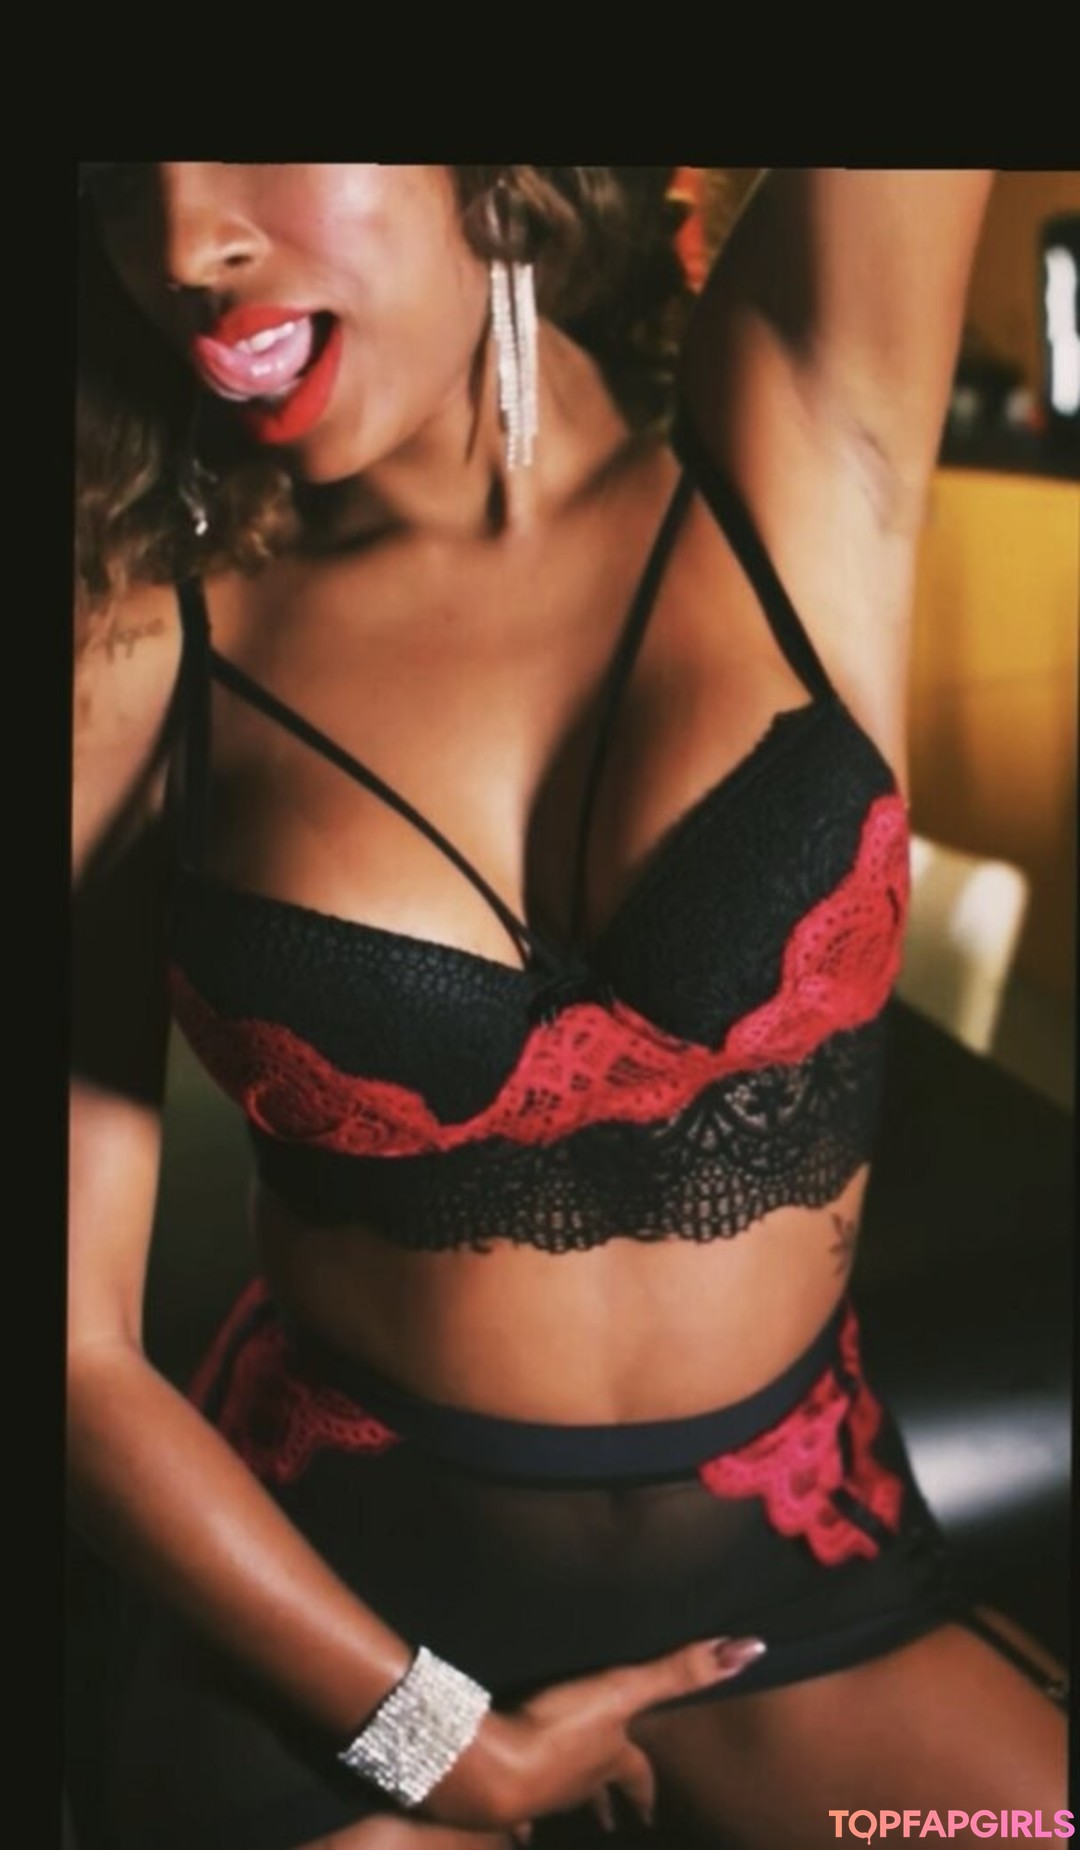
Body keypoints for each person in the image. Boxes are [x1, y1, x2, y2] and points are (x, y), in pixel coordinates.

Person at [70, 166, 1068, 1850]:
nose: (185, 243)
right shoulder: (131, 631)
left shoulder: (805, 420)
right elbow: (65, 1346)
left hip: (791, 1593)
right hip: (339, 1626)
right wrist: (439, 1744)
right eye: (116, 178)